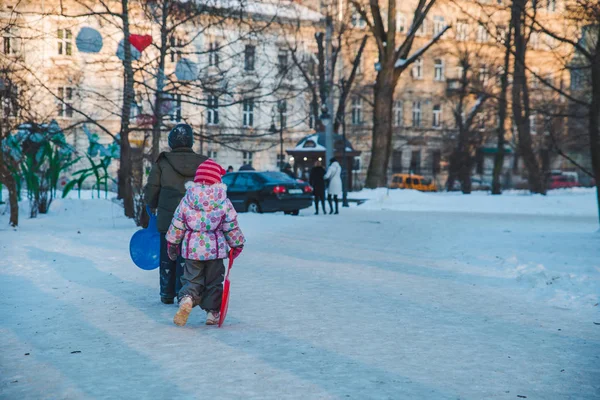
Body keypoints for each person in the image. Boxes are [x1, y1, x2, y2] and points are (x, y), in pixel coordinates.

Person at [166, 159, 246, 327]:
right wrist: (237, 244)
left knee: (192, 279)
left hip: (191, 250)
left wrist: (172, 243)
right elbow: (230, 225)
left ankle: (187, 299)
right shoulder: (223, 200)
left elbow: (178, 222)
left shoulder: (188, 198)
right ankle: (212, 313)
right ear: (217, 180)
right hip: (215, 251)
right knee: (214, 281)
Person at [144, 124, 208, 305]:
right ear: (192, 141)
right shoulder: (204, 163)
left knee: (167, 256)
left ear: (171, 142)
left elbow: (152, 190)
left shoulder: (163, 163)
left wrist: (152, 204)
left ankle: (166, 293)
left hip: (169, 219)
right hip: (195, 221)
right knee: (189, 256)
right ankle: (185, 293)